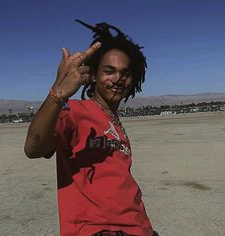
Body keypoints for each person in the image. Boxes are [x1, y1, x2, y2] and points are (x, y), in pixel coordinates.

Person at [24, 20, 157, 236]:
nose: (117, 79)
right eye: (109, 71)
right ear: (94, 75)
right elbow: (33, 148)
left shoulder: (115, 121)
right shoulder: (74, 111)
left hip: (140, 227)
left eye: (125, 73)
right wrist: (58, 93)